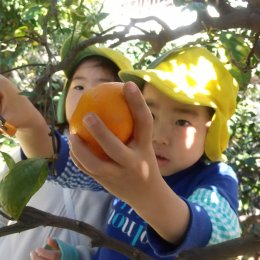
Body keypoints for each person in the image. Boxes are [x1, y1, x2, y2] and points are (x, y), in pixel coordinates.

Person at [31, 46, 242, 259]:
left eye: (182, 122)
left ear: (212, 133)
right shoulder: (128, 165)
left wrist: (147, 192)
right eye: (150, 114)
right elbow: (114, 252)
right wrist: (76, 256)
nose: (159, 136)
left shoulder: (214, 178)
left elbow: (222, 236)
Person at [0, 35, 133, 259]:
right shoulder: (26, 154)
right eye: (79, 86)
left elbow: (114, 245)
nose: (88, 96)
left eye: (103, 88)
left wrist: (74, 255)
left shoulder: (122, 172)